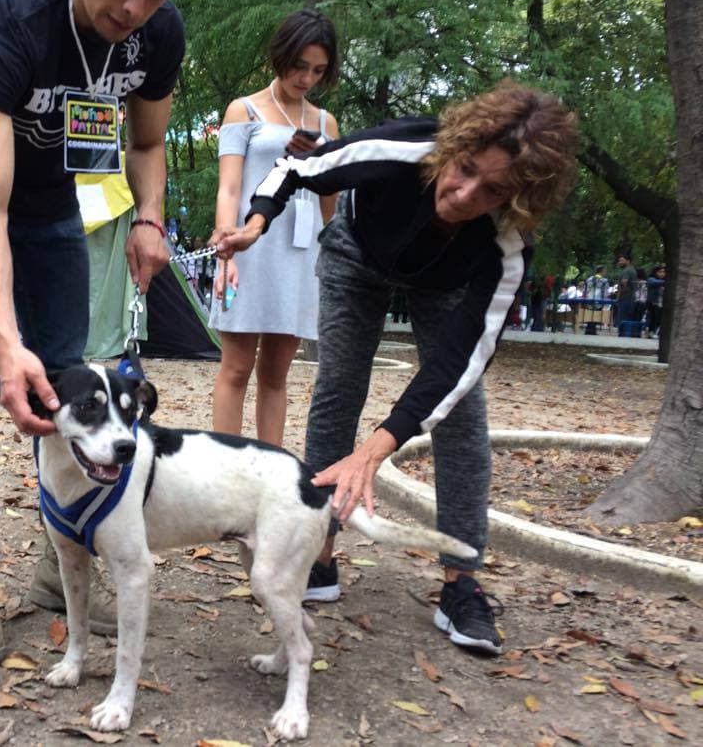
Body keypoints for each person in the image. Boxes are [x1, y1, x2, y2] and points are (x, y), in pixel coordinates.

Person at [0, 0, 203, 665]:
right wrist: (9, 342)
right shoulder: (6, 21)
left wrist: (149, 216)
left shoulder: (156, 36)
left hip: (58, 200)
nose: (136, 7)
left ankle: (64, 552)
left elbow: (147, 141)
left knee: (69, 370)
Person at [213, 80, 579, 655]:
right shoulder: (402, 150)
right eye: (464, 169)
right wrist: (258, 221)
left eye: (492, 190)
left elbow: (459, 366)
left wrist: (377, 450)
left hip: (444, 283)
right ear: (452, 147)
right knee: (339, 387)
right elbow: (294, 170)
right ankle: (319, 554)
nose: (463, 194)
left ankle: (461, 580)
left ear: (517, 200)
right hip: (358, 253)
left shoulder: (506, 244)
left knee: (463, 415)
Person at [208, 9, 340, 453]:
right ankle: (224, 469)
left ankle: (271, 471)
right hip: (247, 247)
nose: (306, 78)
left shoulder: (326, 124)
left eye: (318, 70)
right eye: (300, 65)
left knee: (276, 373)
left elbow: (329, 206)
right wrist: (226, 237)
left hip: (300, 256)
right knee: (236, 367)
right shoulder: (242, 110)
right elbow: (229, 186)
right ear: (280, 56)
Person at [615, 253, 637, 335]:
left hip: (625, 298)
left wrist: (619, 294)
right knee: (628, 317)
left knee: (622, 318)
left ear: (628, 261)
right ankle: (626, 334)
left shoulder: (626, 271)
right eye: (619, 260)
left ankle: (622, 335)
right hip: (631, 297)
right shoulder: (632, 269)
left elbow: (624, 282)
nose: (619, 262)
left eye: (622, 260)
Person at [646, 264, 666, 337]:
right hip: (653, 302)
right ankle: (651, 332)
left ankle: (655, 332)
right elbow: (654, 282)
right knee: (653, 318)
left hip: (661, 302)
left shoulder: (663, 281)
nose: (662, 274)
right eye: (660, 272)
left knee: (659, 318)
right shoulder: (651, 279)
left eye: (663, 272)